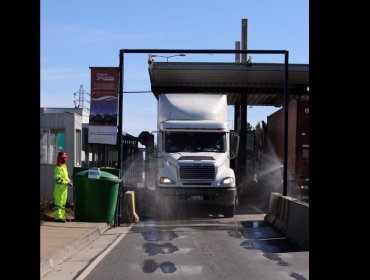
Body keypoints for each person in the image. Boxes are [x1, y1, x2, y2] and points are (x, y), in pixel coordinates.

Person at [53, 151, 73, 223]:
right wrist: (67, 183)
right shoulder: (57, 168)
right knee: (59, 204)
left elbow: (66, 177)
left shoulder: (64, 167)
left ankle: (63, 217)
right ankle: (58, 218)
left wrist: (70, 182)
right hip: (59, 189)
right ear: (60, 158)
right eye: (63, 158)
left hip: (64, 189)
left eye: (65, 158)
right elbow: (58, 179)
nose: (65, 159)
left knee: (63, 204)